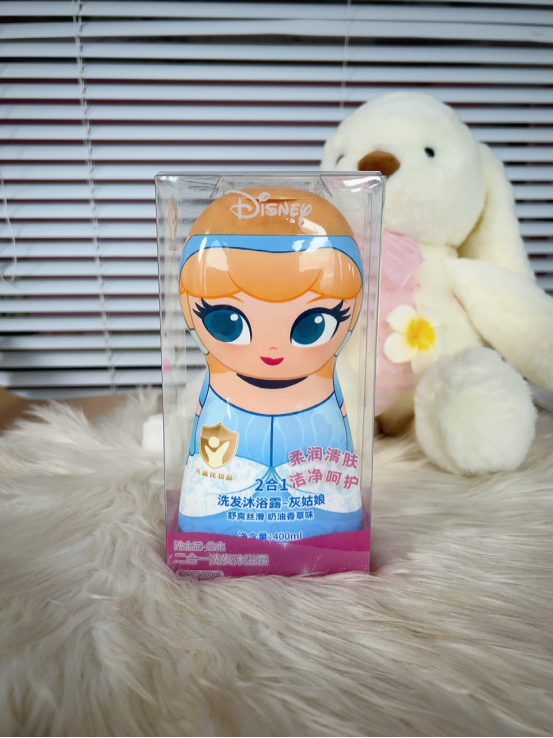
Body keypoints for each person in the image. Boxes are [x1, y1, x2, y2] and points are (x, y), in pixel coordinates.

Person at [178, 187, 364, 540]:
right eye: (226, 322)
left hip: (318, 476)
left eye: (313, 325)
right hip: (223, 482)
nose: (272, 353)